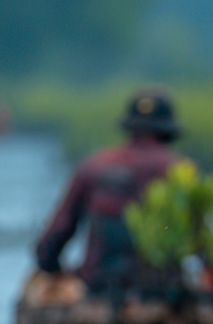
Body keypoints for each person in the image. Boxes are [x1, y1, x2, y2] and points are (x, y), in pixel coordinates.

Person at [34, 86, 183, 298]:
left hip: (97, 285)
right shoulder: (180, 170)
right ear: (168, 132)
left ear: (129, 128)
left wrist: (52, 271)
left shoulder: (94, 166)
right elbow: (207, 248)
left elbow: (52, 240)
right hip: (162, 291)